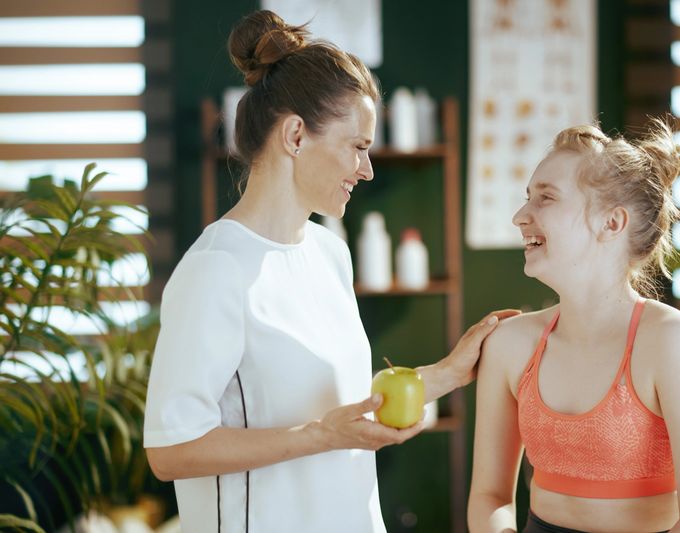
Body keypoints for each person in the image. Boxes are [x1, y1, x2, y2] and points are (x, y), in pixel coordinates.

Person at [143, 10, 516, 533]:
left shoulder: (329, 253)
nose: (367, 169)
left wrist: (451, 372)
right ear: (295, 136)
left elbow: (341, 407)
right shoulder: (216, 270)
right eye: (358, 147)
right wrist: (322, 436)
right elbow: (172, 450)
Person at [468, 120, 680, 533]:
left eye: (546, 198)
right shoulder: (509, 344)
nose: (521, 216)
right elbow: (490, 497)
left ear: (612, 223)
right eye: (527, 198)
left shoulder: (676, 346)